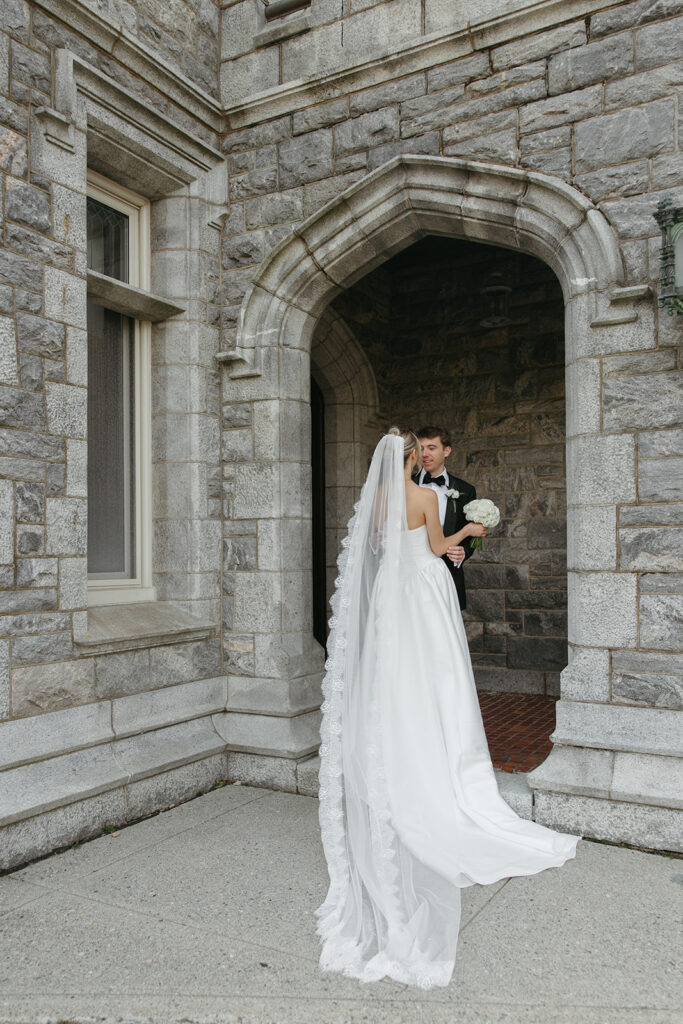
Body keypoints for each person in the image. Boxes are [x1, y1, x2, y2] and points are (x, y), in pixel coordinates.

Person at [316, 428, 581, 990]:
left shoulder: (380, 500)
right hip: (427, 591)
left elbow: (385, 549)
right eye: (420, 453)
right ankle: (443, 758)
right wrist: (465, 532)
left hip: (394, 593)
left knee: (395, 673)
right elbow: (437, 548)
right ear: (414, 458)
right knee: (438, 674)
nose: (425, 458)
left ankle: (394, 747)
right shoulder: (425, 496)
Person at [414, 425, 476, 610]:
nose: (425, 454)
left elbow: (472, 535)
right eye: (421, 448)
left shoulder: (466, 490)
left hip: (448, 576)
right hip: (412, 576)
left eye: (431, 448)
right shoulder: (406, 485)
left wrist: (464, 552)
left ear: (446, 451)